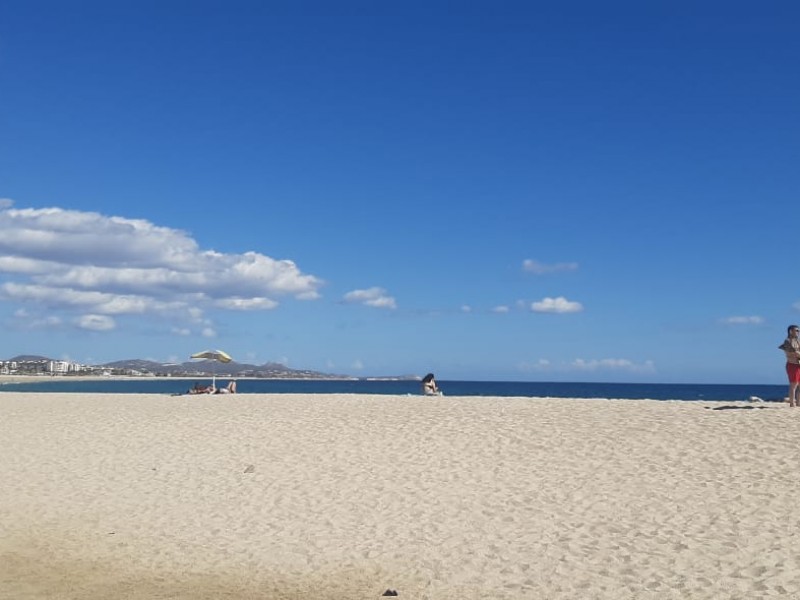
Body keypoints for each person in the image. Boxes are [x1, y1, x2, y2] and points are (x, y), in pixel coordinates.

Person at [779, 325, 800, 407]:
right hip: (792, 365)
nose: (798, 332)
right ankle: (792, 404)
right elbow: (795, 353)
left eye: (798, 331)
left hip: (798, 364)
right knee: (793, 385)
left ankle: (798, 403)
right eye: (796, 330)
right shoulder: (787, 341)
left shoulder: (797, 341)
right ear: (791, 331)